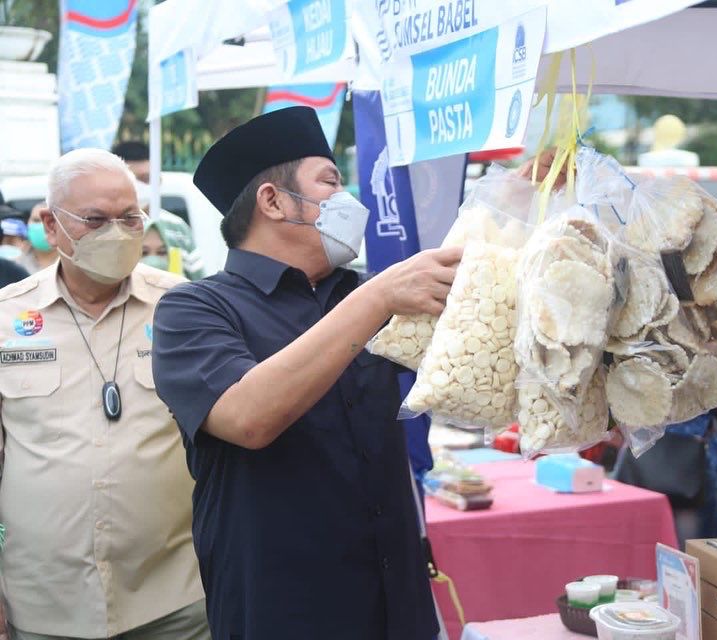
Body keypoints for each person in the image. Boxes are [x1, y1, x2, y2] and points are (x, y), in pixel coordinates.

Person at [150, 107, 461, 640]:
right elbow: (248, 417)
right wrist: (378, 297)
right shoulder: (194, 310)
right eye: (330, 182)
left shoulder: (367, 293)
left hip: (396, 602)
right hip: (286, 610)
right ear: (273, 201)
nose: (349, 202)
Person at [0, 148, 209, 640]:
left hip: (176, 598)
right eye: (95, 220)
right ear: (51, 226)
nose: (116, 233)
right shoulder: (7, 318)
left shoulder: (183, 307)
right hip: (46, 605)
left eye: (129, 218)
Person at [613, 396, 717, 547]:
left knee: (689, 561)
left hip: (688, 470)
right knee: (634, 556)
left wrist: (712, 392)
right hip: (641, 463)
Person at [112, 140, 206, 279]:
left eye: (147, 178)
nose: (141, 185)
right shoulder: (108, 228)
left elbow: (198, 280)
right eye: (133, 179)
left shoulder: (178, 228)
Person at [19, 203, 58, 274]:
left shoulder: (73, 266)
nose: (42, 226)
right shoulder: (15, 263)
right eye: (36, 220)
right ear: (28, 223)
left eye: (50, 221)